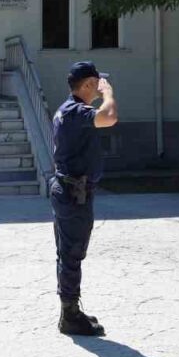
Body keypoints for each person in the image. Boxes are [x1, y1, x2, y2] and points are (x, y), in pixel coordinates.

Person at [50, 61, 117, 336]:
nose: (100, 87)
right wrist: (110, 94)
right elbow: (109, 117)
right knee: (71, 255)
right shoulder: (76, 111)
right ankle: (69, 316)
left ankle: (71, 310)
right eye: (98, 82)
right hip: (73, 192)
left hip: (70, 190)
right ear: (88, 84)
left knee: (69, 253)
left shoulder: (69, 110)